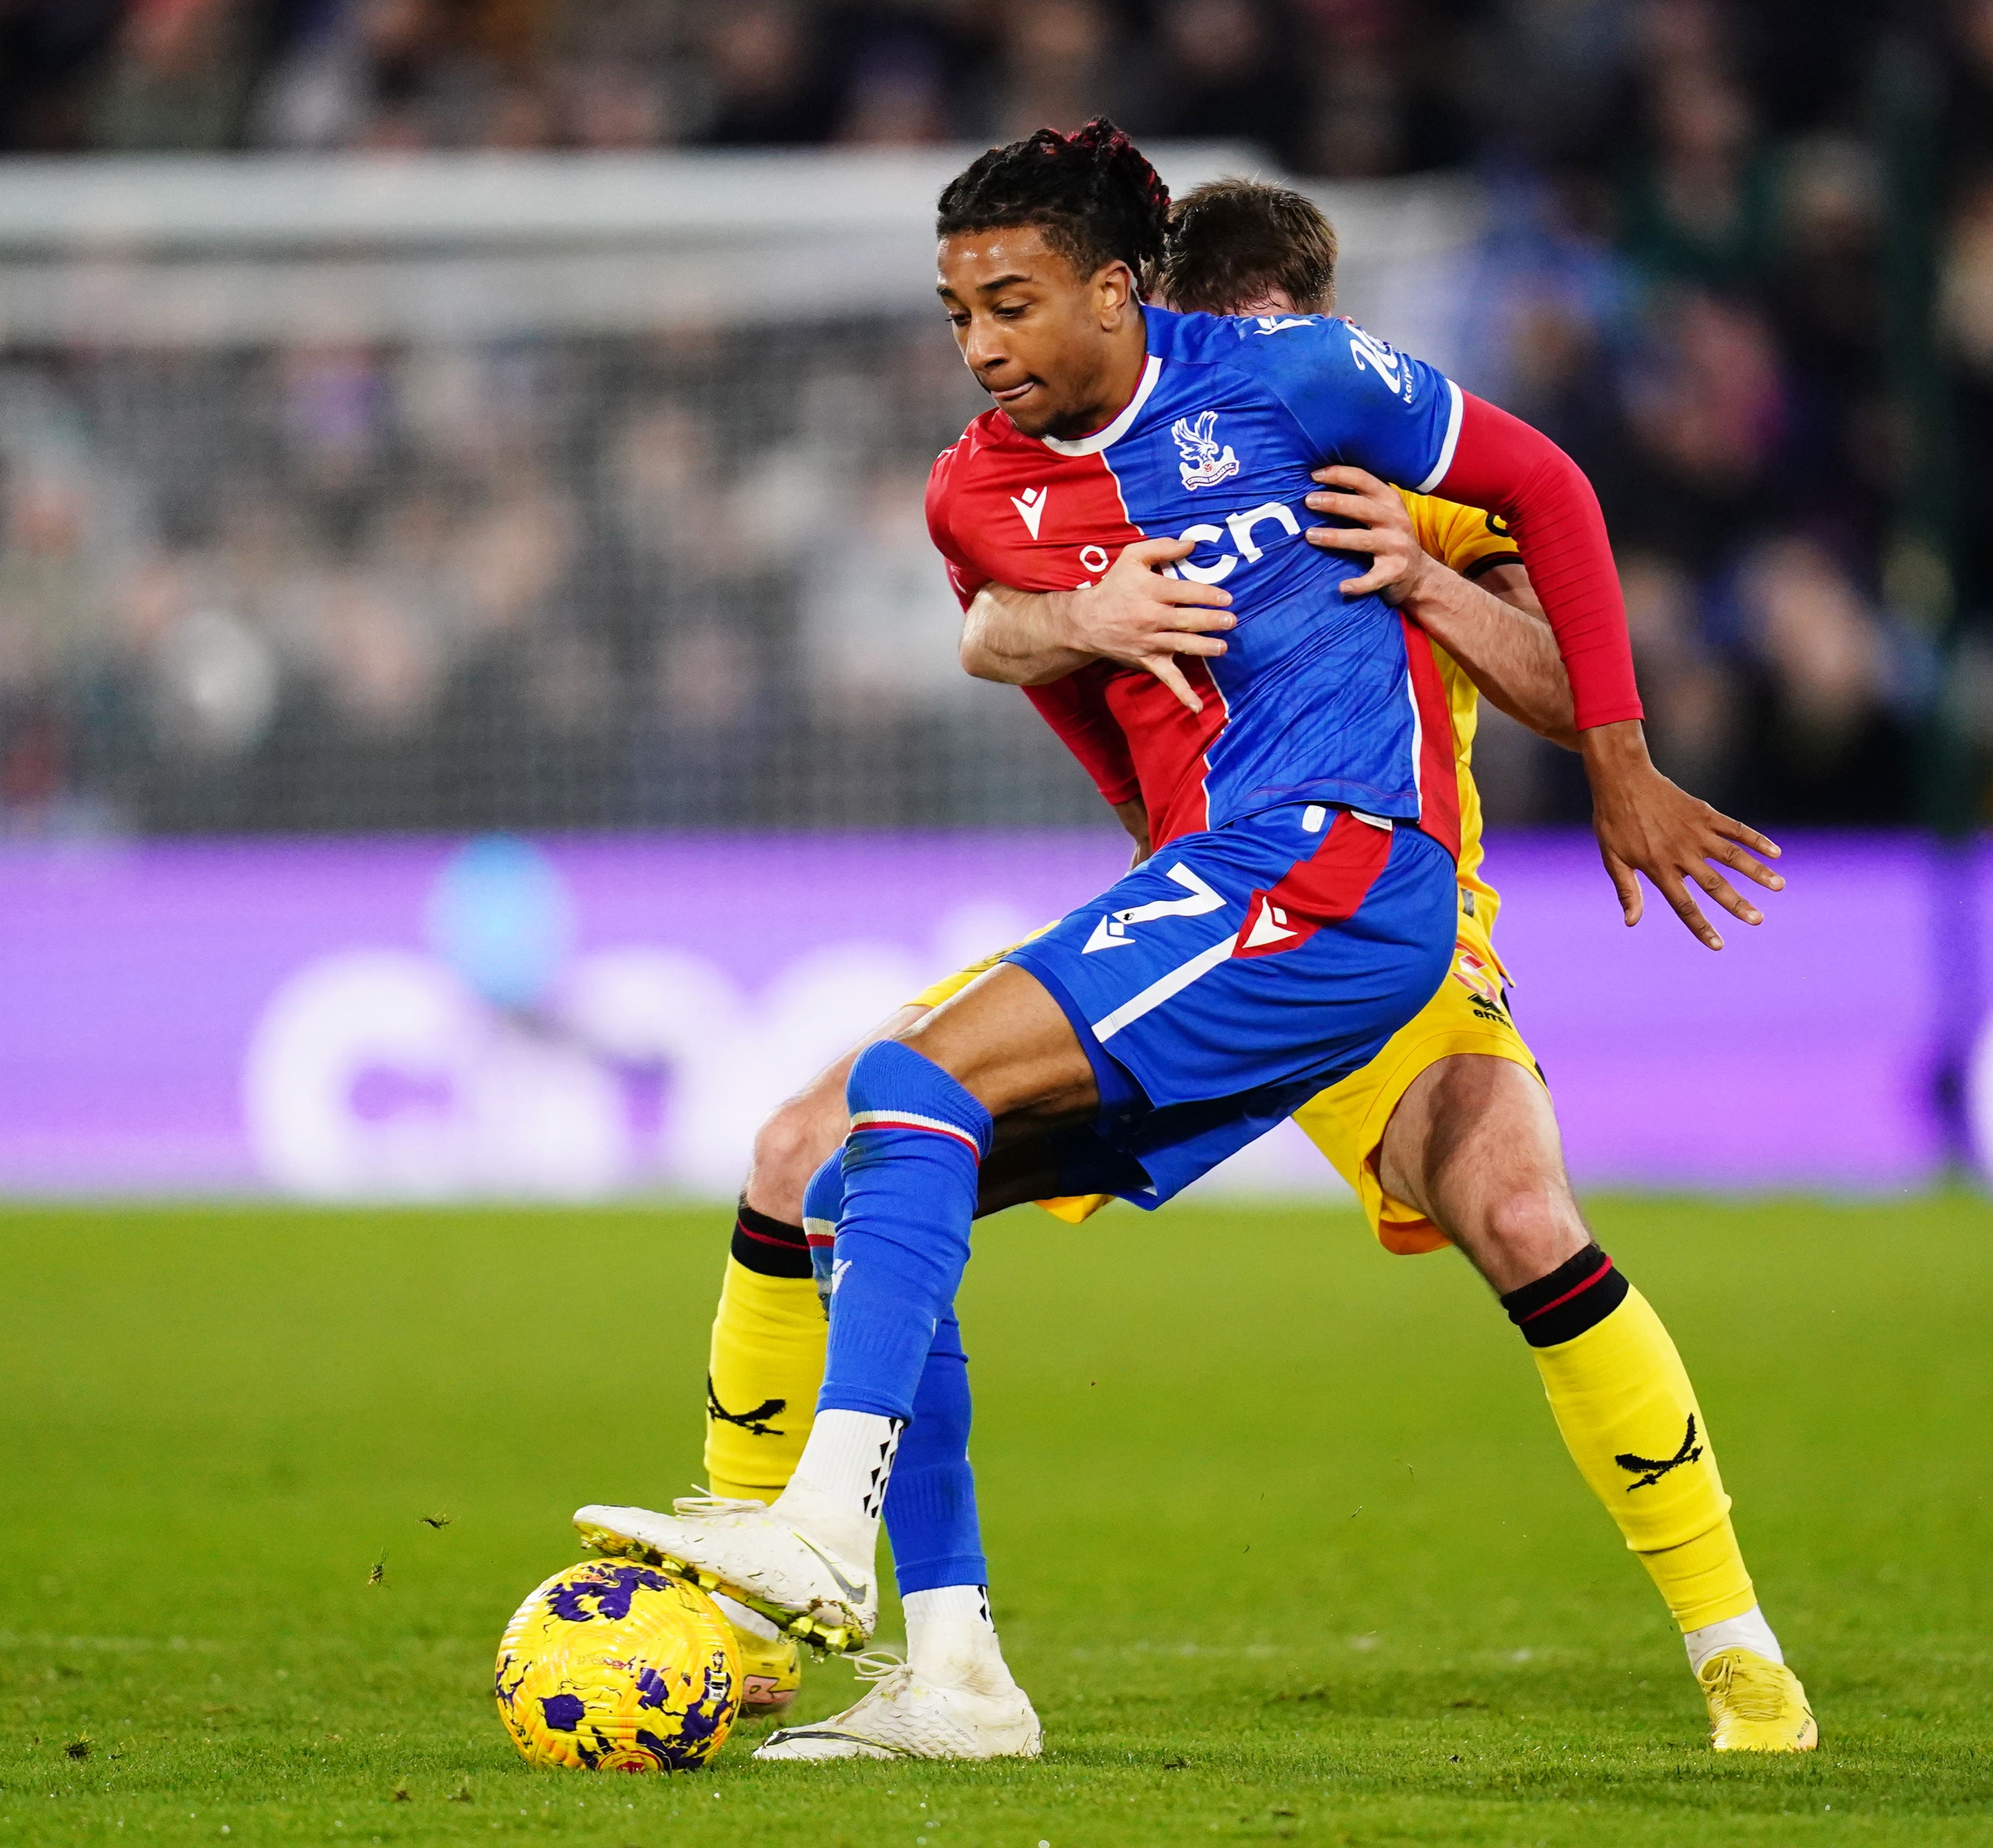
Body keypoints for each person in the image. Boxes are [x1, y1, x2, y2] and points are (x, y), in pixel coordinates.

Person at [577, 124, 1798, 1758]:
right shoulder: (1032, 472)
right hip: (1201, 905)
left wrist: (1438, 602)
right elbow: (991, 618)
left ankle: (1740, 1657)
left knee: (1514, 1206)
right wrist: (1071, 620)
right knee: (832, 1151)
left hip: (1373, 911)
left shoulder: (1387, 474)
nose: (985, 346)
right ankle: (906, 1653)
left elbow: (1584, 660)